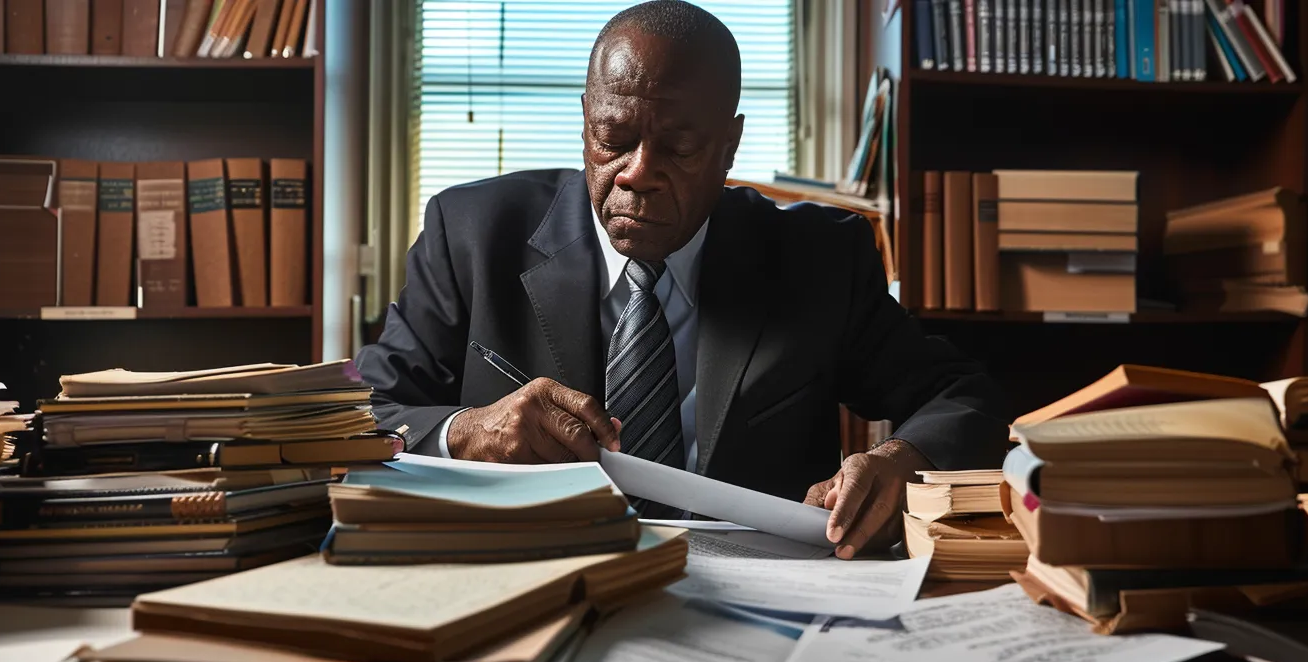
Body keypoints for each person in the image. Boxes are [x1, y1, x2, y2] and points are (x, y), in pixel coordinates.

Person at [357, 0, 1006, 560]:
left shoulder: (817, 259)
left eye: (678, 147)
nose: (638, 172)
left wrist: (902, 463)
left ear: (729, 146)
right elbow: (366, 415)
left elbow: (962, 397)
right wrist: (466, 432)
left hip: (752, 597)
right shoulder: (472, 235)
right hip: (529, 578)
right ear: (586, 122)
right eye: (613, 137)